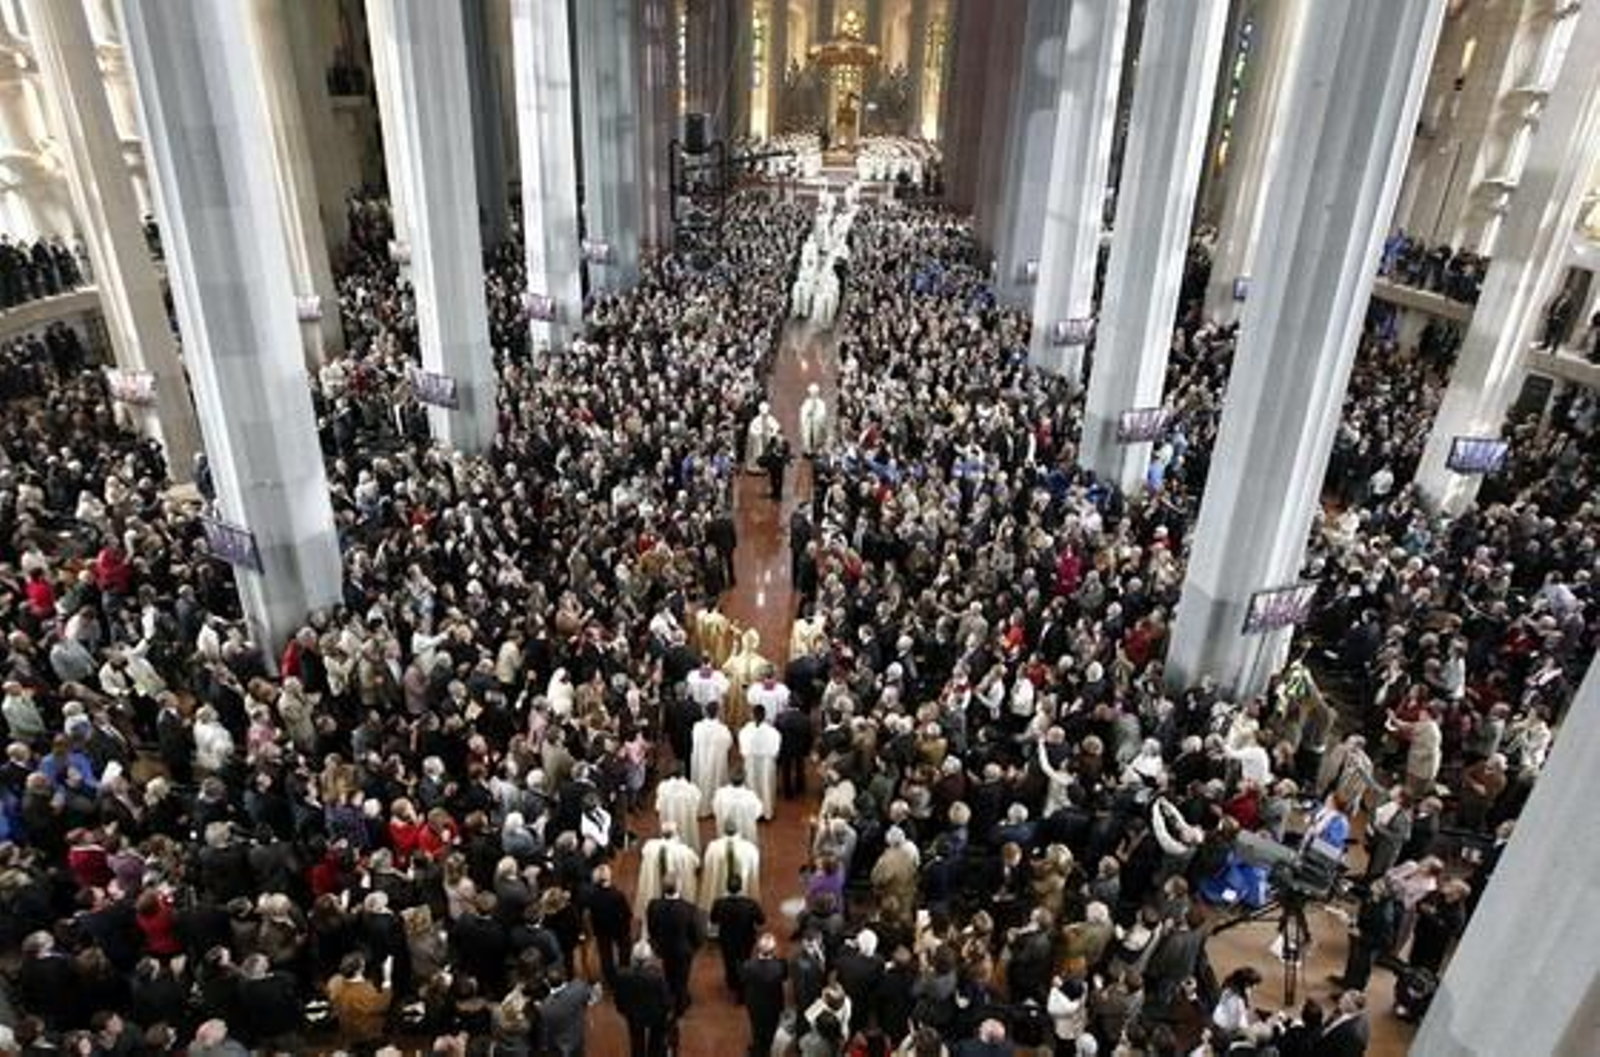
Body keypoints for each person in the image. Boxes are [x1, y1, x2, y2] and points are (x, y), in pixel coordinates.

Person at [646, 878, 705, 1016]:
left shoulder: (654, 905)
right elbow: (696, 933)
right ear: (678, 888)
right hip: (683, 951)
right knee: (682, 979)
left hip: (664, 950)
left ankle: (670, 998)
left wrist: (656, 946)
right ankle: (680, 1006)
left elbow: (652, 929)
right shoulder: (689, 908)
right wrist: (694, 948)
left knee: (668, 974)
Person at [614, 944, 675, 1057]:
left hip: (633, 1015)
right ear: (649, 960)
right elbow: (665, 1000)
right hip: (654, 1016)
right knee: (656, 1041)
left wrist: (624, 1011)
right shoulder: (657, 977)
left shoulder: (622, 975)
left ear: (632, 958)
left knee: (636, 1042)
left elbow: (618, 998)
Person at [710, 874, 766, 998]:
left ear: (727, 887)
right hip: (746, 940)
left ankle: (732, 983)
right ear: (741, 887)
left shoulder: (719, 903)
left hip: (726, 940)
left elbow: (713, 920)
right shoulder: (750, 904)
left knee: (729, 962)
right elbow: (761, 920)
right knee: (745, 960)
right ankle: (743, 986)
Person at [326, 951, 393, 1044]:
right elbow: (383, 1005)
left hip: (346, 1030)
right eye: (363, 965)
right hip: (365, 1035)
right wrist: (387, 978)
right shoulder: (364, 990)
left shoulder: (335, 982)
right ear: (360, 969)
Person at [741, 933, 788, 1057]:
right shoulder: (780, 966)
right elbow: (784, 977)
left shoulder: (748, 965)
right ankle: (768, 1048)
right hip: (773, 1004)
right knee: (771, 1027)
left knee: (756, 1027)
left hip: (755, 1003)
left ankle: (757, 1048)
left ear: (758, 949)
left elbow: (744, 980)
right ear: (773, 950)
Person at [537, 966, 597, 1057]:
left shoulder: (545, 1007)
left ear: (547, 983)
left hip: (560, 1047)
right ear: (564, 977)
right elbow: (593, 997)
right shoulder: (578, 987)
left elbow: (546, 1033)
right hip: (578, 1038)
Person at [738, 704, 782, 819]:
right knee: (766, 785)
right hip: (766, 763)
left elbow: (743, 750)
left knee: (752, 785)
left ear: (752, 715)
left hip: (751, 761)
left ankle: (753, 812)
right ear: (764, 715)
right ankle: (767, 811)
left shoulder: (746, 730)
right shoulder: (773, 732)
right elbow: (776, 751)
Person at [691, 703, 734, 813]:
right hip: (716, 762)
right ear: (718, 713)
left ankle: (702, 805)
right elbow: (729, 744)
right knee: (716, 780)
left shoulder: (697, 727)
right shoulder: (723, 729)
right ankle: (716, 807)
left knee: (701, 780)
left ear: (705, 712)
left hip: (701, 760)